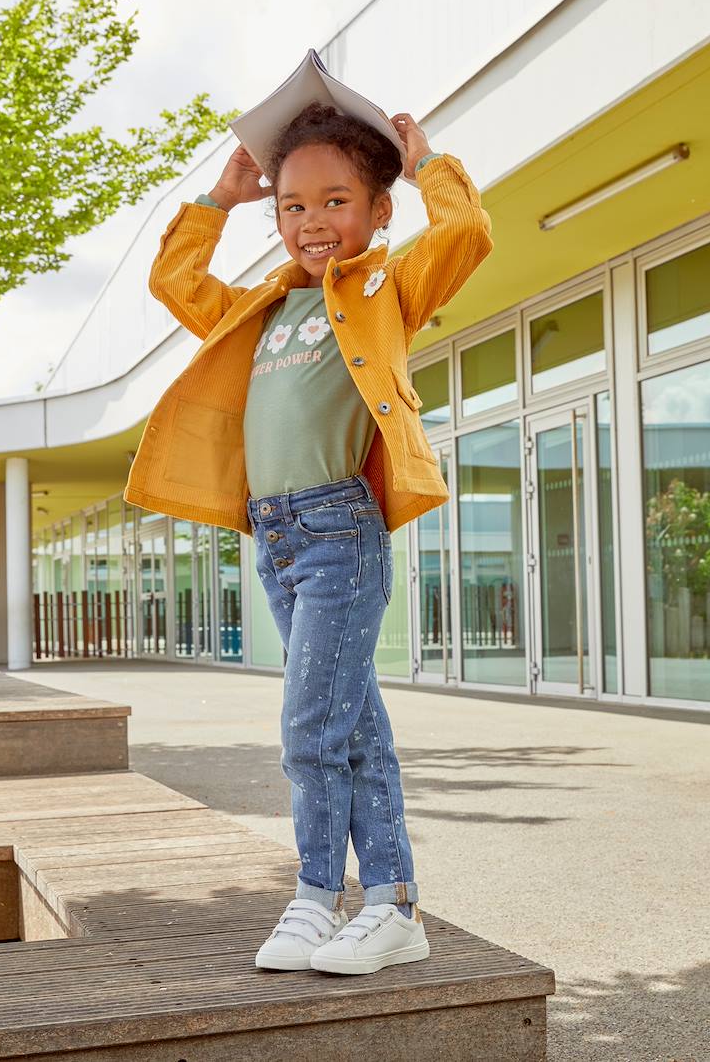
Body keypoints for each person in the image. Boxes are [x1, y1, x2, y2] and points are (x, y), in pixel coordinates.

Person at [133, 101, 493, 976]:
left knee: (309, 728)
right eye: (293, 206)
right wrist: (221, 197)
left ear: (379, 211)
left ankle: (313, 895)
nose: (313, 222)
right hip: (278, 539)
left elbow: (468, 234)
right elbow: (176, 283)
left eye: (337, 201)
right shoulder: (259, 310)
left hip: (342, 532)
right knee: (351, 725)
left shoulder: (385, 291)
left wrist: (428, 162)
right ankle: (392, 906)